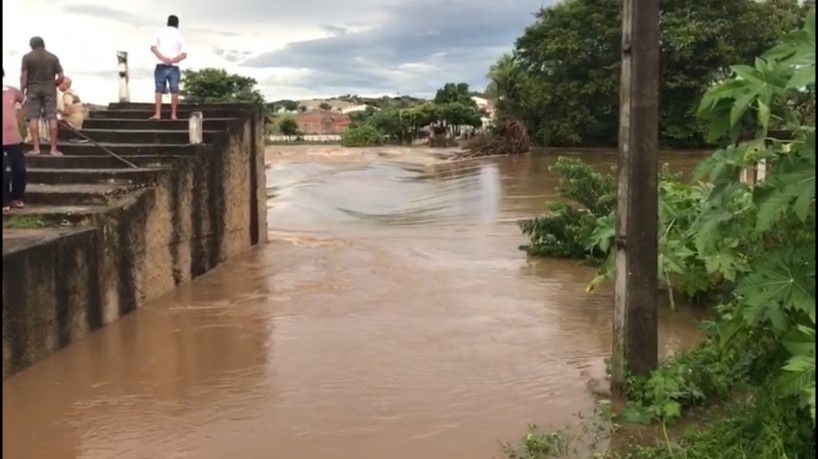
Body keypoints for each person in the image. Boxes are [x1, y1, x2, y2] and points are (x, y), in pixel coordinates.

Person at [20, 36, 65, 156]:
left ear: (31, 45)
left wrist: (22, 89)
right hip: (49, 89)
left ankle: (36, 148)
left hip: (33, 88)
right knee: (52, 117)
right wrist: (53, 84)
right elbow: (61, 77)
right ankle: (53, 149)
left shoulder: (27, 57)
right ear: (43, 44)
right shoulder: (53, 57)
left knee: (33, 118)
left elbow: (24, 76)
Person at [150, 14, 187, 120]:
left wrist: (163, 58)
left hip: (161, 64)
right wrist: (172, 60)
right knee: (174, 90)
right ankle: (173, 115)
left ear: (167, 22)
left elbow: (153, 48)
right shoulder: (180, 36)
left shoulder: (160, 32)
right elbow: (184, 54)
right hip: (174, 66)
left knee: (159, 89)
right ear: (177, 24)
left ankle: (157, 114)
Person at [3, 69, 27, 212]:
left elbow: (26, 102)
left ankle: (17, 197)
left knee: (19, 169)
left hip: (13, 138)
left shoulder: (11, 91)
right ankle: (4, 201)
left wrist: (18, 117)